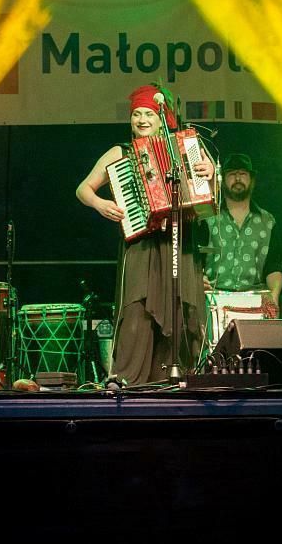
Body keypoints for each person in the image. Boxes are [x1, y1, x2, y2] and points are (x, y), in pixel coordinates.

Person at [76, 85, 213, 384]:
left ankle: (176, 377)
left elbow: (207, 191)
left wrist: (210, 171)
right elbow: (83, 189)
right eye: (136, 114)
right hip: (141, 241)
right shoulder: (120, 152)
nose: (141, 120)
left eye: (149, 114)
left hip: (178, 240)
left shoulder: (185, 147)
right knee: (137, 308)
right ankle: (127, 378)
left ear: (162, 118)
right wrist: (100, 204)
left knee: (182, 307)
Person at [199, 152, 281, 312]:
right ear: (222, 180)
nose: (237, 178)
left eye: (243, 174)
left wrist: (274, 296)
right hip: (213, 300)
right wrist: (198, 278)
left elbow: (274, 267)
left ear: (252, 180)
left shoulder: (267, 221)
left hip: (254, 301)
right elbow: (195, 258)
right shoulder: (207, 217)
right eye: (231, 174)